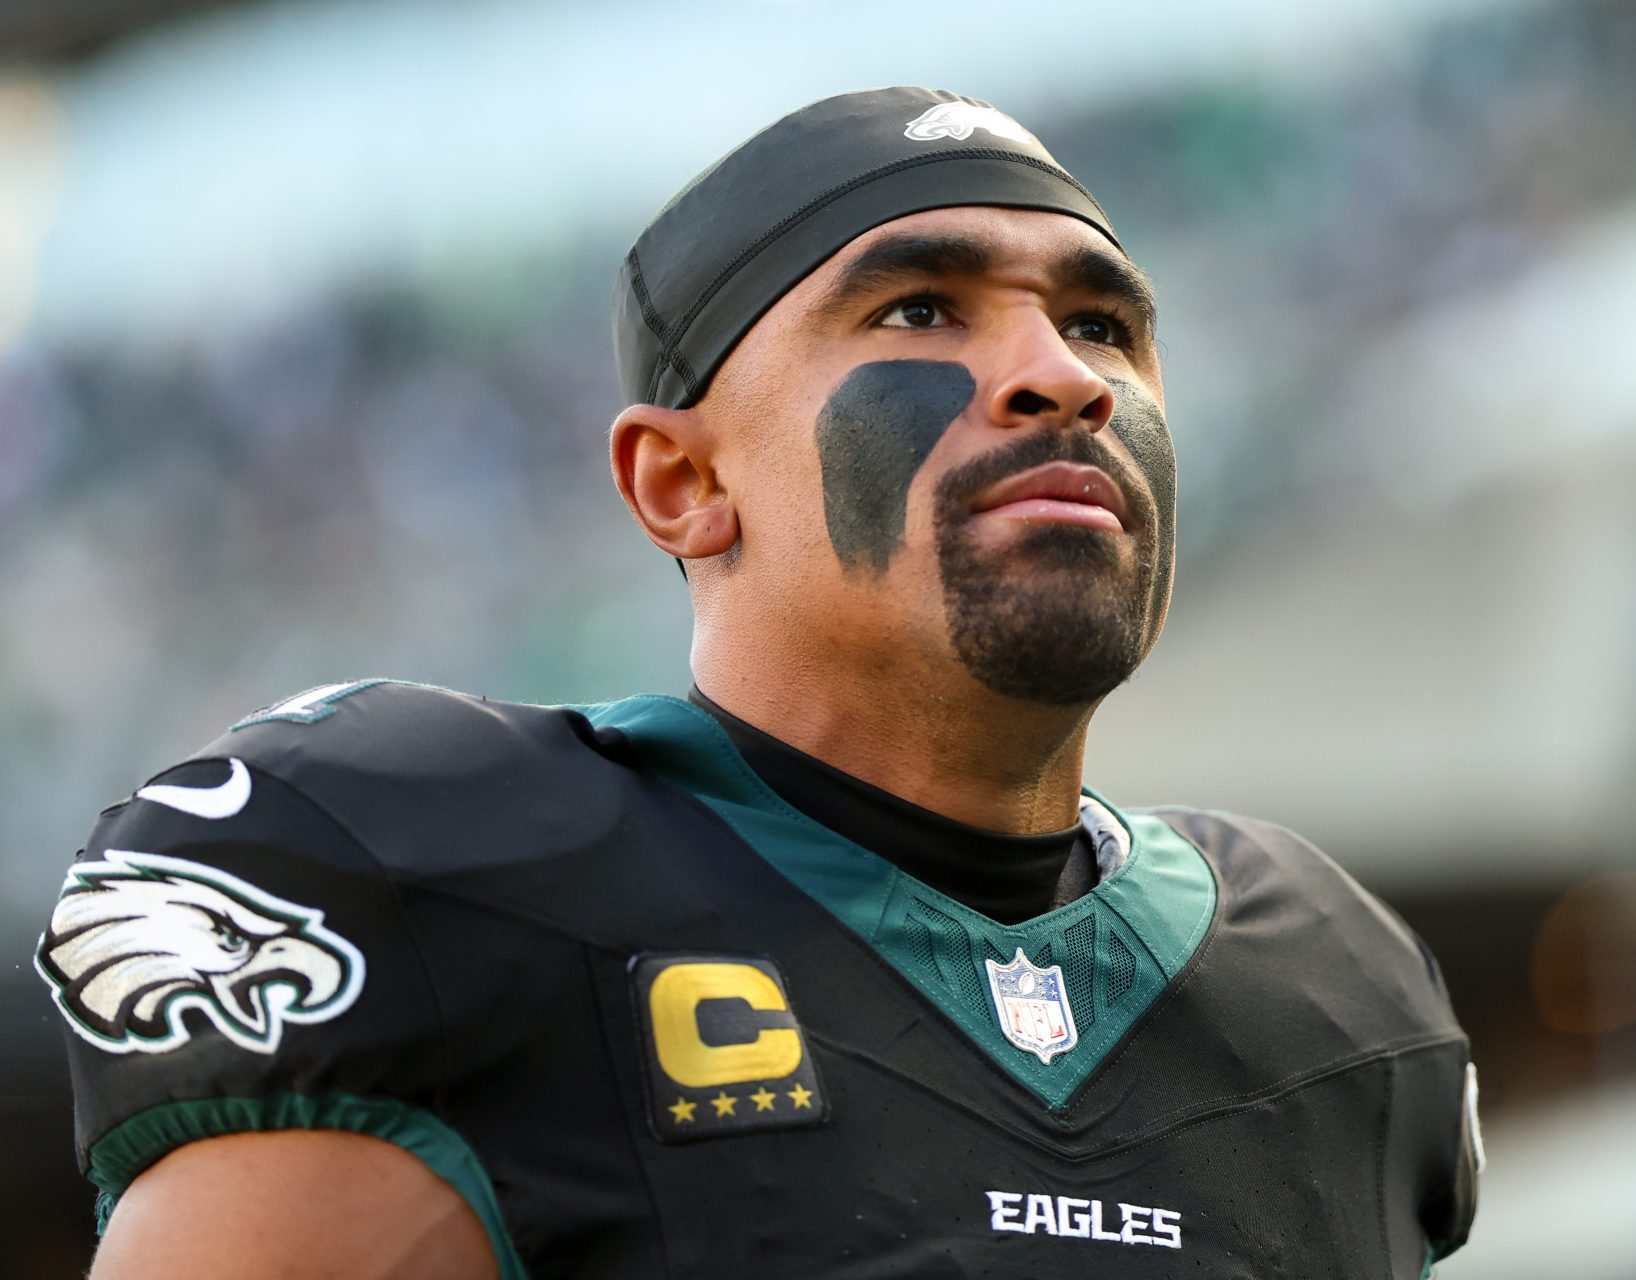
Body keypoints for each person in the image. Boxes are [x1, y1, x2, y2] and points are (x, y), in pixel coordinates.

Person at [37, 87, 1479, 1278]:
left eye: (1103, 326)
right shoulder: (429, 873)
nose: (1062, 375)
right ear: (683, 482)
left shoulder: (1335, 1003)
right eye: (920, 311)